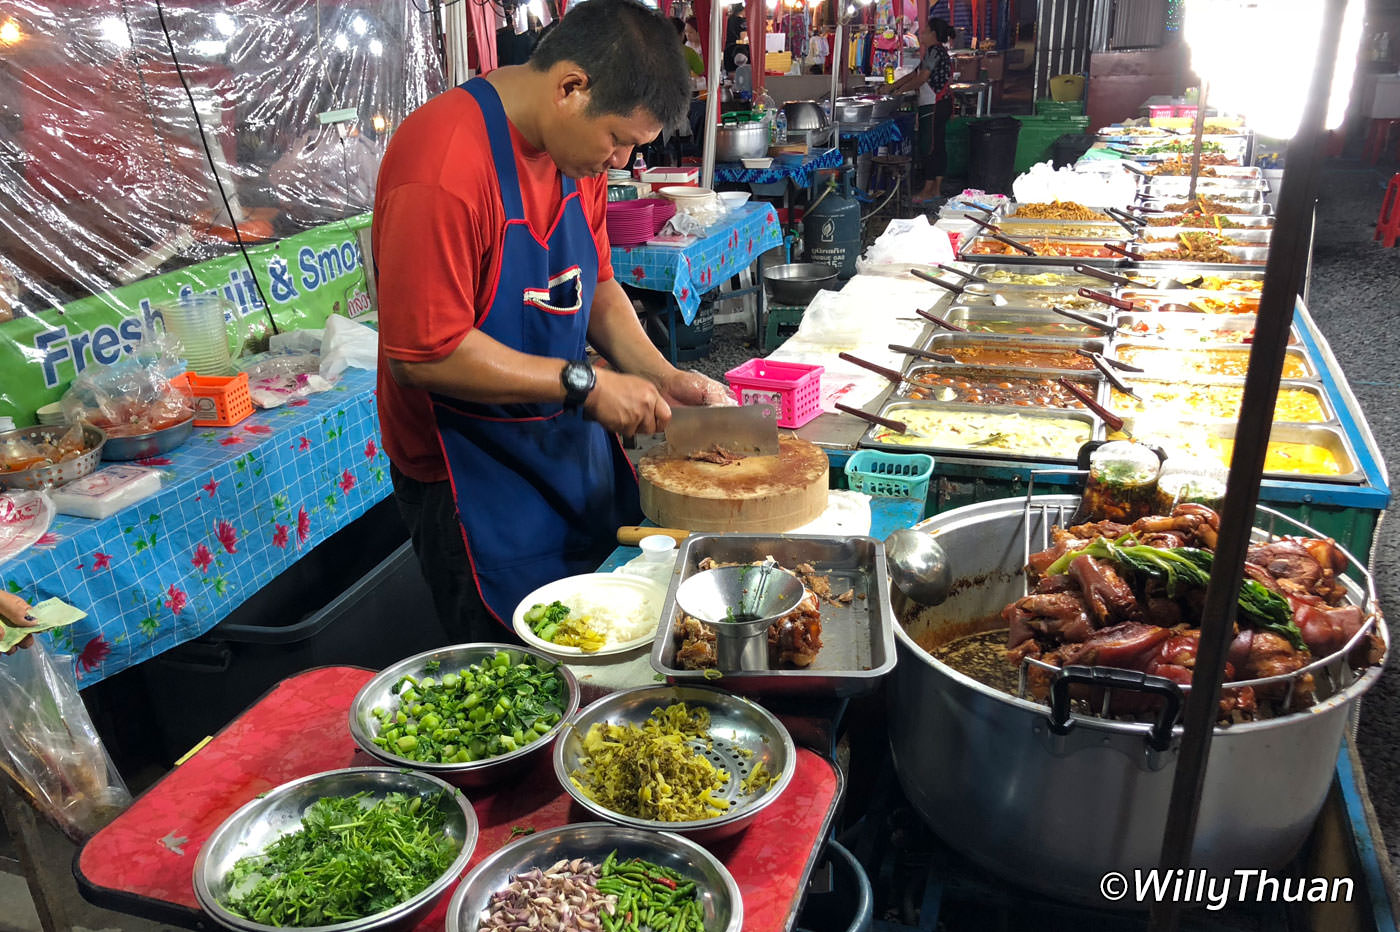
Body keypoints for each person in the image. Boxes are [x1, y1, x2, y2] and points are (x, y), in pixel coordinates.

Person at [372, 0, 730, 643]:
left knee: (612, 629)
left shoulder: (575, 155)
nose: (621, 162)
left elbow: (593, 286)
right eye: (619, 139)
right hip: (468, 475)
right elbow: (424, 354)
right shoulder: (444, 165)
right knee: (520, 666)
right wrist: (589, 385)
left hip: (564, 444)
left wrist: (660, 373)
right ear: (571, 87)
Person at [890, 16, 955, 206]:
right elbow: (915, 74)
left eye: (924, 31)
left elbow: (921, 79)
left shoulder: (934, 52)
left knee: (930, 147)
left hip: (934, 104)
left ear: (933, 34)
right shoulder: (934, 52)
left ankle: (929, 191)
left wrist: (898, 92)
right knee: (937, 145)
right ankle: (935, 188)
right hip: (939, 104)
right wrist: (892, 87)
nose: (921, 34)